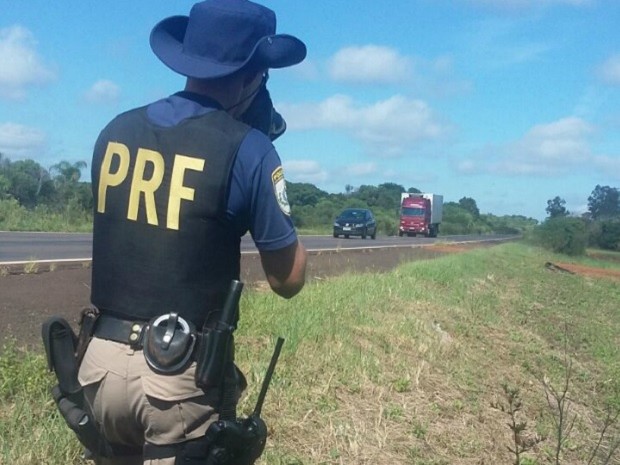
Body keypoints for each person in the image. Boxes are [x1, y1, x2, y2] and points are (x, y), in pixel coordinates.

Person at [77, 0, 308, 463]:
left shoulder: (114, 131)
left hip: (97, 367)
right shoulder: (250, 149)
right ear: (254, 76)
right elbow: (288, 281)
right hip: (177, 380)